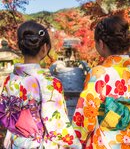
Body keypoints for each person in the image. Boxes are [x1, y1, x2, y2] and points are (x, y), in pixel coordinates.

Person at [1, 20, 81, 149]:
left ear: (21, 47)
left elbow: (5, 114)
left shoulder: (9, 80)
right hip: (39, 144)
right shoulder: (50, 83)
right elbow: (57, 126)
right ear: (44, 48)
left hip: (15, 142)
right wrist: (76, 145)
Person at [72, 15, 130, 149]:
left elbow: (86, 114)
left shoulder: (98, 73)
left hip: (105, 142)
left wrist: (76, 139)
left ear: (101, 43)